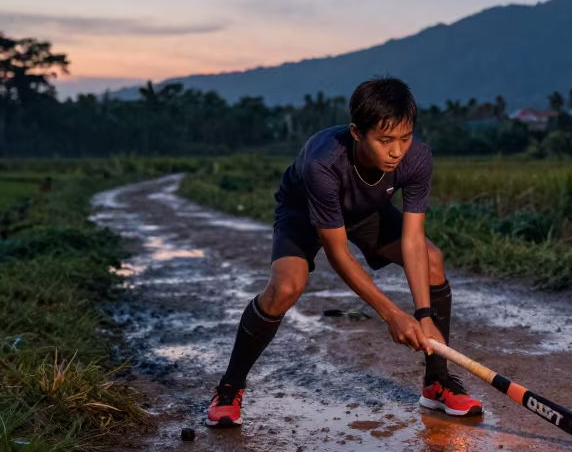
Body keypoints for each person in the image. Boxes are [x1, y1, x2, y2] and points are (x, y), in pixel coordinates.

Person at [206, 77, 482, 426]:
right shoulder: (323, 162)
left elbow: (413, 239)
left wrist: (424, 313)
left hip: (365, 211)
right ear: (356, 133)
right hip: (303, 211)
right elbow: (337, 252)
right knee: (286, 287)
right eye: (385, 141)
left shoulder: (417, 159)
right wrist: (392, 314)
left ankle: (436, 383)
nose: (396, 151)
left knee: (431, 259)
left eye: (405, 138)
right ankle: (230, 387)